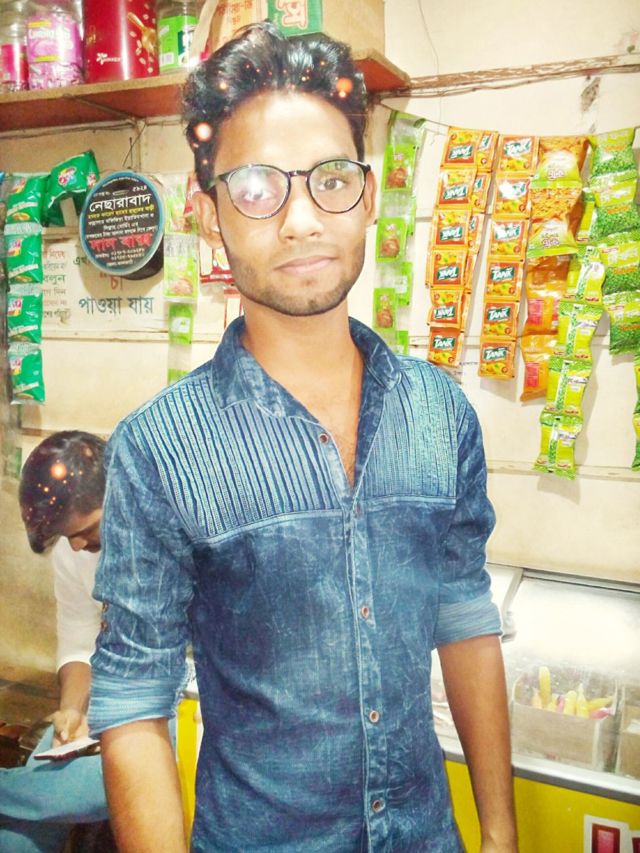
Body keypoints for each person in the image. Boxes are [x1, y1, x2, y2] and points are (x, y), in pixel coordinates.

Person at [89, 21, 518, 853]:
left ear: (368, 193)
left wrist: (499, 834)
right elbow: (134, 700)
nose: (300, 220)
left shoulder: (441, 412)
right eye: (256, 187)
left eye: (330, 180)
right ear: (209, 215)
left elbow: (465, 619)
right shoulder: (160, 449)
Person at [0, 431, 111, 853]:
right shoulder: (73, 549)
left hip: (185, 703)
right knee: (18, 837)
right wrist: (71, 710)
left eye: (85, 529)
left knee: (109, 782)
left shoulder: (167, 538)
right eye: (66, 535)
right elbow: (79, 636)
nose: (76, 544)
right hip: (111, 690)